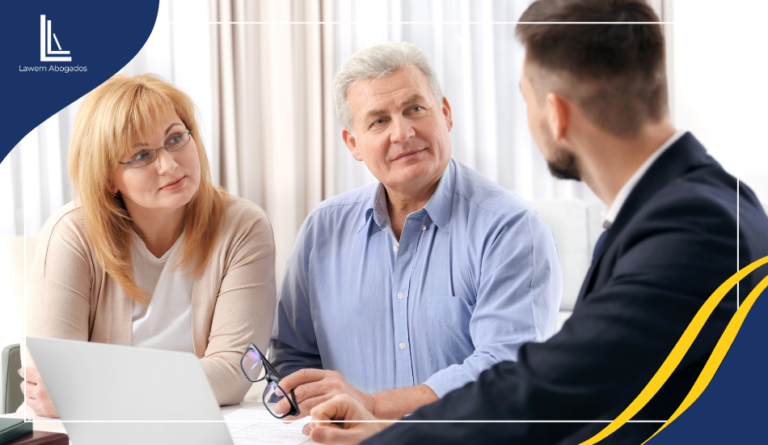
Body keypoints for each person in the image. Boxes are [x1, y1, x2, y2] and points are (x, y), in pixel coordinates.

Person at [303, 1, 768, 444]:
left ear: (557, 114)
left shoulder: (689, 228)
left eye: (525, 98)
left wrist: (388, 432)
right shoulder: (712, 202)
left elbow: (553, 384)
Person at [270, 42, 562, 420]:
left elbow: (505, 372)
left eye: (415, 109)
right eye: (379, 121)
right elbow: (293, 357)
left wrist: (374, 407)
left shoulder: (512, 230)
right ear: (353, 143)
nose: (403, 132)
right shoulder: (322, 230)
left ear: (445, 113)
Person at [19, 74, 276, 418]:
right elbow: (51, 384)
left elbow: (233, 374)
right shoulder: (72, 233)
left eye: (175, 138)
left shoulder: (242, 225)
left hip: (195, 427)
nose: (169, 165)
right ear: (107, 177)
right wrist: (84, 392)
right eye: (141, 155)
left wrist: (95, 391)